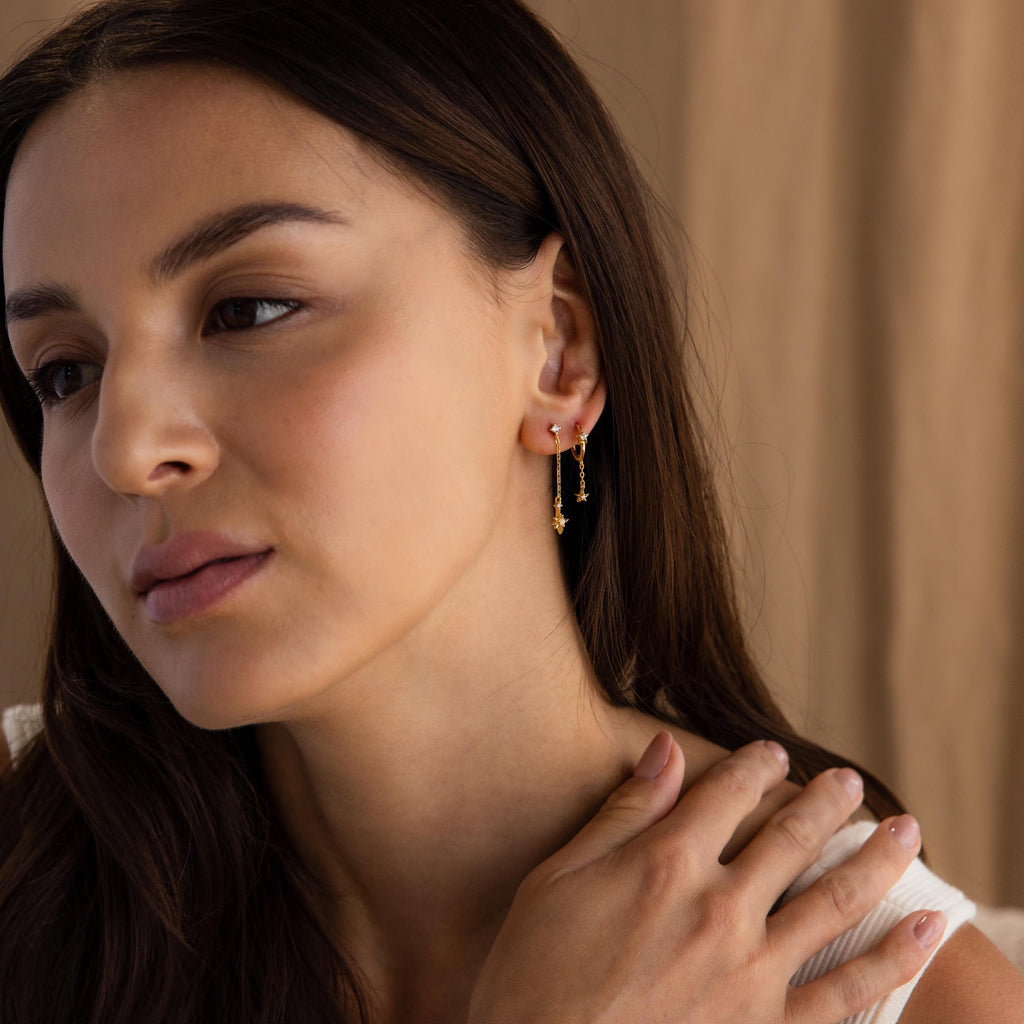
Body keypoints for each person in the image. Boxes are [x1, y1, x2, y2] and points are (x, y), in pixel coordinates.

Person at [0, 0, 1019, 1021]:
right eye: (65, 372)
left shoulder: (901, 989)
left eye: (249, 310)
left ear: (558, 353)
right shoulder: (23, 866)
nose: (125, 451)